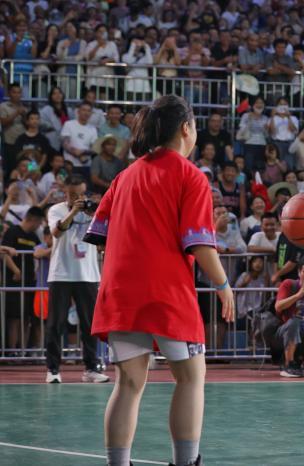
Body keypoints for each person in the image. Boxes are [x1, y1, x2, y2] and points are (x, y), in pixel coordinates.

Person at [84, 95, 234, 466]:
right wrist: (223, 285)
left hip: (120, 293)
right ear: (187, 128)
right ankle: (186, 462)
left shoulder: (123, 176)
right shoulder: (190, 176)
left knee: (128, 385)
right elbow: (200, 245)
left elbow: (101, 238)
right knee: (190, 378)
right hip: (167, 293)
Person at [44, 174, 108, 384]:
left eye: (81, 193)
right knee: (56, 323)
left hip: (88, 274)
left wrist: (95, 211)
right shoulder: (56, 210)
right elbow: (57, 232)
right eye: (73, 194)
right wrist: (73, 211)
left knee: (90, 324)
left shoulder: (94, 212)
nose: (77, 197)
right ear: (66, 193)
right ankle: (53, 369)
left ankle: (91, 368)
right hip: (61, 274)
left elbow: (104, 236)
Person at [2, 207, 43, 352]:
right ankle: (12, 350)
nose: (39, 226)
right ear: (33, 219)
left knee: (27, 317)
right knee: (14, 317)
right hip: (13, 281)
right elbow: (4, 252)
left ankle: (23, 350)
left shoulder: (33, 236)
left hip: (30, 282)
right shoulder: (13, 231)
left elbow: (40, 249)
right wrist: (15, 270)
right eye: (38, 223)